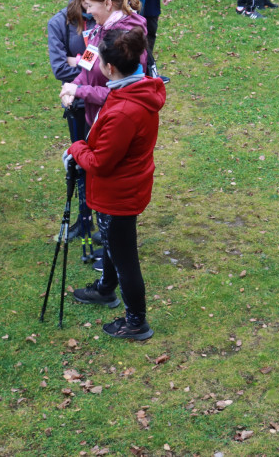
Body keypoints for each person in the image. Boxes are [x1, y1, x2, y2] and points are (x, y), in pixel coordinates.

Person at [67, 27, 166, 340]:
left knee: (125, 259)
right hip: (124, 187)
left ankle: (136, 321)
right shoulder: (131, 89)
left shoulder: (125, 108)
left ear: (110, 68)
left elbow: (100, 162)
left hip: (118, 193)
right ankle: (106, 289)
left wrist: (75, 148)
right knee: (112, 243)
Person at [58, 0, 150, 265]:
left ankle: (113, 253)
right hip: (95, 119)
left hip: (114, 122)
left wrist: (80, 89)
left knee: (111, 184)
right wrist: (73, 86)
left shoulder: (127, 38)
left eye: (90, 5)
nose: (87, 12)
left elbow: (119, 93)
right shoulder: (100, 29)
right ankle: (109, 249)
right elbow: (88, 67)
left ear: (108, 3)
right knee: (99, 183)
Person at [48, 0, 100, 240]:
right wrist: (88, 66)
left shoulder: (103, 19)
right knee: (81, 163)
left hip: (103, 103)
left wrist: (77, 61)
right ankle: (84, 218)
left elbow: (106, 63)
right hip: (78, 106)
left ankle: (102, 220)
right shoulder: (59, 23)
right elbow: (60, 69)